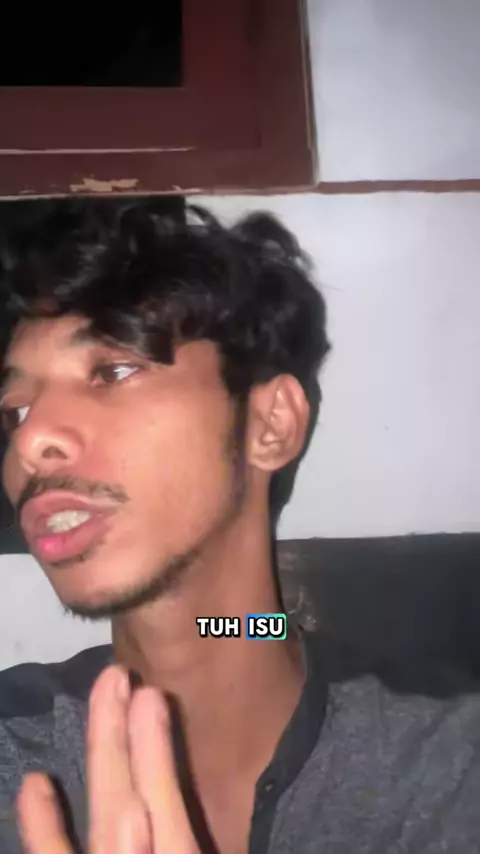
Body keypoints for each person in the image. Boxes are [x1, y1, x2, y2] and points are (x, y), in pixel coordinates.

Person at [0, 197, 479, 854]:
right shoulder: (13, 750)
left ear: (269, 424)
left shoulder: (448, 769)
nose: (32, 442)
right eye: (15, 411)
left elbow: (243, 629)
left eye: (112, 371)